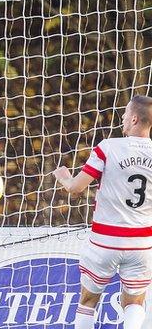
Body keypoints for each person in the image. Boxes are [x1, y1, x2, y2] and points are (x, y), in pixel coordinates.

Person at [53, 95, 152, 329]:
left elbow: (76, 189)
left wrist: (65, 178)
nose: (123, 118)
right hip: (141, 243)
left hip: (105, 241)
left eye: (126, 114)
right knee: (135, 302)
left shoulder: (108, 148)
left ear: (135, 119)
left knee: (88, 300)